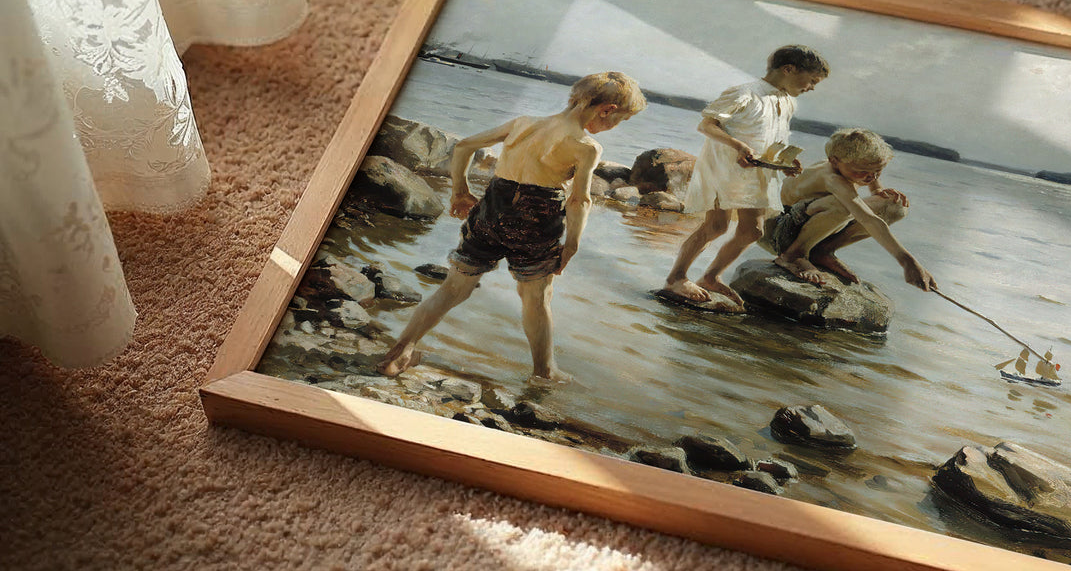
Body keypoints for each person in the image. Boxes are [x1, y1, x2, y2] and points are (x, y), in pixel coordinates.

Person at [378, 71, 646, 383]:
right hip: (536, 219)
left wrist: (460, 191)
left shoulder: (523, 123)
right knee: (536, 299)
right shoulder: (585, 145)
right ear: (607, 109)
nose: (614, 127)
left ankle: (398, 353)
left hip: (492, 208)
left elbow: (464, 146)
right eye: (620, 120)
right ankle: (544, 373)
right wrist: (571, 245)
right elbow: (578, 201)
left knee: (453, 289)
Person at [662, 45, 829, 310]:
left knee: (753, 231)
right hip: (725, 169)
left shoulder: (787, 101)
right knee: (716, 226)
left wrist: (783, 162)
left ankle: (711, 276)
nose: (811, 88)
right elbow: (706, 125)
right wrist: (737, 145)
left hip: (756, 173)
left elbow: (772, 139)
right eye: (811, 81)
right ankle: (676, 277)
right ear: (788, 70)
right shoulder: (745, 93)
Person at [762, 127, 936, 294]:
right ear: (834, 161)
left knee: (895, 206)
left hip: (808, 224)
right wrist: (908, 262)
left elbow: (870, 176)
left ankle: (822, 251)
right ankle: (793, 255)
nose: (871, 177)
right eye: (862, 171)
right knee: (845, 206)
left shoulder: (850, 167)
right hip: (782, 231)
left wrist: (876, 190)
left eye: (878, 171)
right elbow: (868, 219)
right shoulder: (832, 178)